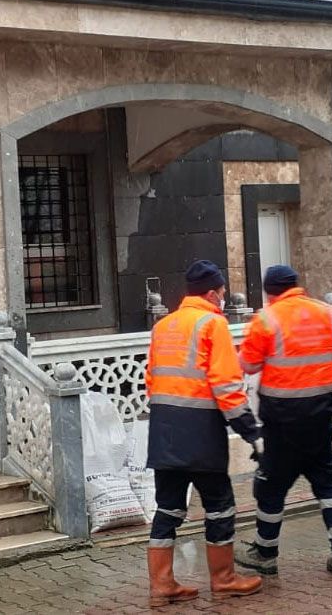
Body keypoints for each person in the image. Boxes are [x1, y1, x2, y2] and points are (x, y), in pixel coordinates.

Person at [144, 259, 264, 605]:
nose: (224, 298)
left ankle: (161, 585)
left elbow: (151, 379)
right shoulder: (213, 324)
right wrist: (251, 431)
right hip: (200, 433)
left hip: (165, 429)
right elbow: (226, 386)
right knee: (220, 505)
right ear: (212, 293)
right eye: (223, 293)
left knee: (167, 508)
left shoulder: (163, 326)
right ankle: (224, 578)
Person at [234, 265, 332, 576]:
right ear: (296, 285)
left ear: (268, 291)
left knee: (271, 485)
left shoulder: (265, 320)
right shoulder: (330, 314)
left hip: (282, 421)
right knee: (327, 483)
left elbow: (247, 365)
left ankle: (265, 552)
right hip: (320, 416)